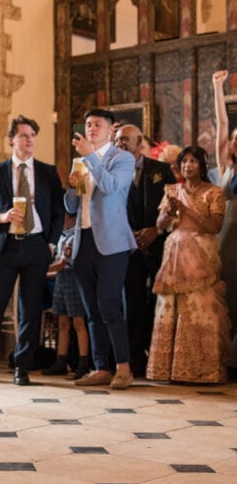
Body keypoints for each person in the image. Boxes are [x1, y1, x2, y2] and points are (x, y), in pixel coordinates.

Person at [0, 116, 64, 386]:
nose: (29, 140)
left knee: (30, 310)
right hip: (5, 246)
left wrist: (51, 243)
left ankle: (22, 367)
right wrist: (1, 217)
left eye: (32, 135)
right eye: (23, 135)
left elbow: (57, 211)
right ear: (12, 140)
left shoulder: (47, 172)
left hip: (36, 246)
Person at [65, 108, 137, 389]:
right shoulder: (81, 161)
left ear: (111, 129)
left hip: (113, 243)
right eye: (87, 125)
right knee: (91, 309)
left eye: (97, 124)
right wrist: (71, 188)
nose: (91, 129)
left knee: (109, 304)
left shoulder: (123, 159)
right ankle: (101, 367)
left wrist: (90, 157)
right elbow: (71, 207)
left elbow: (111, 187)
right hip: (83, 241)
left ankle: (124, 368)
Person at [147, 146, 229, 383]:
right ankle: (167, 369)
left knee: (201, 307)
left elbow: (214, 227)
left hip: (201, 255)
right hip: (174, 253)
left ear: (202, 166)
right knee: (171, 306)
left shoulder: (213, 192)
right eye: (184, 161)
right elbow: (161, 224)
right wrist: (169, 212)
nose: (187, 165)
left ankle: (203, 370)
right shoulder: (172, 190)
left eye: (193, 161)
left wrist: (187, 211)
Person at [115, 124, 175, 377]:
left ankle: (157, 358)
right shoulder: (114, 172)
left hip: (158, 245)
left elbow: (173, 205)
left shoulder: (160, 170)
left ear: (139, 142)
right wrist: (131, 235)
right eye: (117, 140)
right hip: (128, 247)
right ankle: (134, 358)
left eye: (125, 140)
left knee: (156, 303)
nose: (120, 144)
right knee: (132, 303)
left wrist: (155, 230)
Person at [42, 213, 91, 378]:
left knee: (78, 321)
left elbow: (62, 263)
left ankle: (83, 362)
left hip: (72, 279)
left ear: (71, 219)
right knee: (62, 321)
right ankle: (61, 361)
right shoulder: (60, 237)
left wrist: (40, 271)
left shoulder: (73, 237)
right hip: (60, 281)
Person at [213, 69, 237, 370]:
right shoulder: (225, 169)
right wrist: (218, 88)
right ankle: (226, 360)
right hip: (225, 240)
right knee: (226, 298)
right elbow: (221, 124)